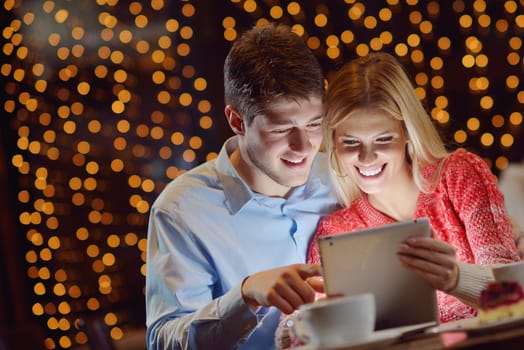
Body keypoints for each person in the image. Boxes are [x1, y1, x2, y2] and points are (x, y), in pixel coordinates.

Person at [145, 22, 339, 349]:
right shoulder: (181, 211)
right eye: (282, 129)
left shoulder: (342, 175)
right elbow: (164, 341)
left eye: (314, 124)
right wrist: (245, 295)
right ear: (237, 121)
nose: (305, 145)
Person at [307, 52, 521, 323]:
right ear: (333, 141)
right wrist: (296, 324)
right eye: (350, 142)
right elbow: (298, 335)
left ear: (407, 131)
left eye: (383, 139)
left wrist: (456, 279)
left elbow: (515, 297)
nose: (367, 157)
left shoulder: (458, 177)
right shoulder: (336, 232)